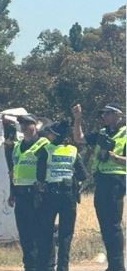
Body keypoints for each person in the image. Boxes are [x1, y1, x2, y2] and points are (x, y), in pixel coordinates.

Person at [72, 103, 126, 271]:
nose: (104, 116)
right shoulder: (101, 133)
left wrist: (114, 157)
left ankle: (118, 265)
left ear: (118, 115)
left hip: (116, 180)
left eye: (108, 113)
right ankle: (112, 264)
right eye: (103, 114)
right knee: (104, 224)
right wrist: (78, 119)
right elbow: (79, 138)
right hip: (101, 181)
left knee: (113, 224)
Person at [35, 120, 87, 271]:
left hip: (50, 195)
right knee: (66, 234)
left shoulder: (46, 150)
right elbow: (83, 175)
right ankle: (63, 267)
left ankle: (47, 266)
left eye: (50, 132)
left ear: (56, 135)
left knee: (46, 231)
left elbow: (39, 175)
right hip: (69, 195)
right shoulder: (73, 150)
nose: (48, 135)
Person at [5, 114, 50, 271]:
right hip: (21, 195)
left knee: (39, 233)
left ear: (36, 125)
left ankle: (42, 266)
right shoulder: (17, 146)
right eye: (21, 124)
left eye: (27, 123)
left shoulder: (44, 144)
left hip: (36, 195)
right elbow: (14, 171)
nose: (24, 127)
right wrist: (12, 192)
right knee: (25, 234)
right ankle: (29, 266)